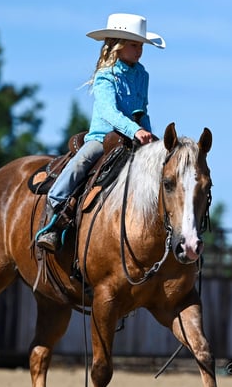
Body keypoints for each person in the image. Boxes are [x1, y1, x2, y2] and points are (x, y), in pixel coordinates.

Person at [35, 13, 165, 251]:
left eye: (141, 46)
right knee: (82, 162)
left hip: (134, 138)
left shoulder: (142, 75)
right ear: (118, 46)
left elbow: (142, 109)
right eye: (134, 45)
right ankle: (55, 208)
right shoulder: (106, 75)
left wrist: (147, 134)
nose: (139, 51)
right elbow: (109, 112)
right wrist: (135, 130)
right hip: (104, 138)